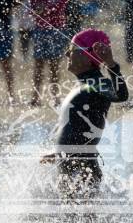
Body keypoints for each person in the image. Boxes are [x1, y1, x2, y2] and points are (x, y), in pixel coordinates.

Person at [40, 29, 128, 198]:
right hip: (74, 163)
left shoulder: (96, 83)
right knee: (75, 217)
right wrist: (59, 152)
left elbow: (121, 95)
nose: (66, 53)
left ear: (89, 56)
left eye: (72, 50)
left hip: (82, 167)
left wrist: (111, 65)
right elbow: (73, 127)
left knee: (82, 217)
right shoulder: (83, 84)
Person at [28, 0, 70, 107]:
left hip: (56, 30)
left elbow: (58, 6)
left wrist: (42, 9)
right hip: (40, 30)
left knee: (54, 66)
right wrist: (40, 10)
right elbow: (32, 9)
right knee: (38, 65)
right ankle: (35, 97)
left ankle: (55, 97)